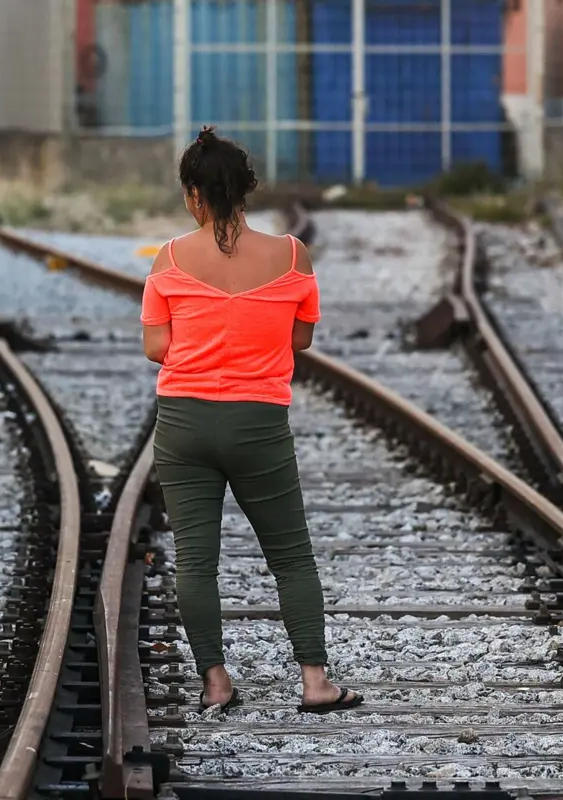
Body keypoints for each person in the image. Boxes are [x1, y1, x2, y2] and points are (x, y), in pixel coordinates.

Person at [140, 126, 363, 714]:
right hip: (259, 425)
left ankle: (216, 682)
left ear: (193, 194)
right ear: (248, 191)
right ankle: (316, 683)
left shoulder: (168, 257)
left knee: (196, 560)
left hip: (185, 424)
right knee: (290, 555)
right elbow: (302, 336)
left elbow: (156, 347)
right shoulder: (291, 255)